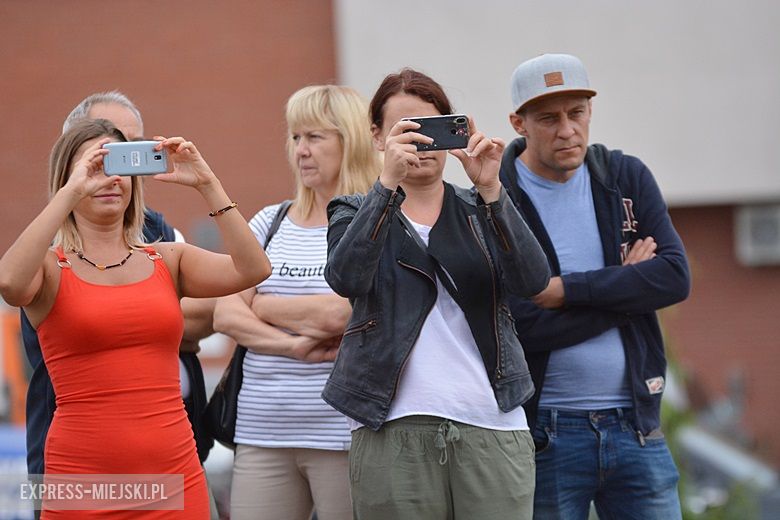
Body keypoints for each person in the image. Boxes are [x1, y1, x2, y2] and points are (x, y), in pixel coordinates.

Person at [0, 118, 271, 518]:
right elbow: (8, 282)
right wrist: (71, 191)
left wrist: (205, 182)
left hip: (174, 476)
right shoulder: (50, 268)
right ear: (69, 178)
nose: (111, 179)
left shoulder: (167, 259)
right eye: (97, 167)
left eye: (120, 167)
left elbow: (253, 268)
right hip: (82, 482)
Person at [321, 68, 551, 519]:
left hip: (491, 419)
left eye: (431, 129)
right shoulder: (353, 209)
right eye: (406, 131)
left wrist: (491, 189)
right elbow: (347, 278)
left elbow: (533, 281)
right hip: (391, 425)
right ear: (377, 136)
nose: (421, 145)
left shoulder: (482, 206)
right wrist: (386, 187)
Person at [498, 53, 691, 519]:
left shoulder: (624, 176)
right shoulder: (494, 199)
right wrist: (626, 288)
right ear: (518, 122)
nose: (567, 130)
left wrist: (565, 291)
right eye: (549, 118)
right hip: (545, 433)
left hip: (637, 424)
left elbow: (673, 277)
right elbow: (520, 328)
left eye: (576, 113)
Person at [20, 92, 215, 498]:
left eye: (135, 147)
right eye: (107, 150)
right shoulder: (46, 247)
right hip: (78, 459)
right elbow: (12, 283)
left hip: (168, 453)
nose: (125, 162)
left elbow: (215, 308)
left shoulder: (157, 234)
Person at [212, 85, 379, 520]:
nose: (301, 151)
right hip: (262, 431)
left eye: (315, 137)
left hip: (343, 434)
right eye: (295, 138)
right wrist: (291, 346)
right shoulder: (271, 222)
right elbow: (225, 312)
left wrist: (263, 305)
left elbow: (341, 314)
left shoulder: (374, 221)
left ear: (351, 139)